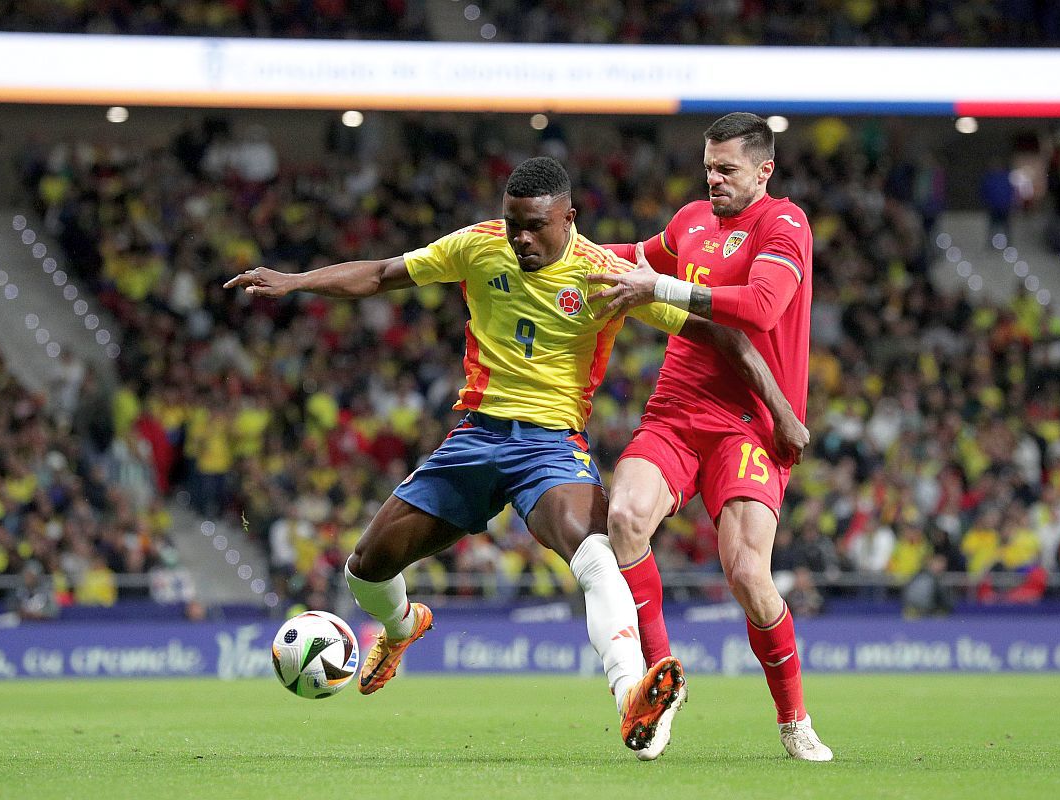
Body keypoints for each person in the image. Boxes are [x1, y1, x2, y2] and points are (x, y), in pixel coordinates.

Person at [225, 156, 799, 760]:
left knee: (596, 556)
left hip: (551, 447)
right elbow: (383, 274)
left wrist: (781, 411)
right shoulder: (479, 246)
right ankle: (400, 627)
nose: (520, 237)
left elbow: (723, 333)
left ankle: (634, 697)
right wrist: (293, 281)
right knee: (364, 569)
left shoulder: (606, 273)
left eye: (535, 226)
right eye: (513, 223)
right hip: (476, 438)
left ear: (569, 219)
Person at [588, 112, 833, 761]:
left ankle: (794, 720)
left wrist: (661, 286)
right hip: (676, 409)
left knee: (748, 573)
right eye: (709, 168)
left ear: (764, 170)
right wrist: (562, 244)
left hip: (750, 420)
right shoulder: (691, 221)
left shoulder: (785, 224)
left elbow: (758, 308)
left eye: (727, 169)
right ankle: (659, 678)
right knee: (624, 516)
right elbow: (632, 260)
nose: (715, 179)